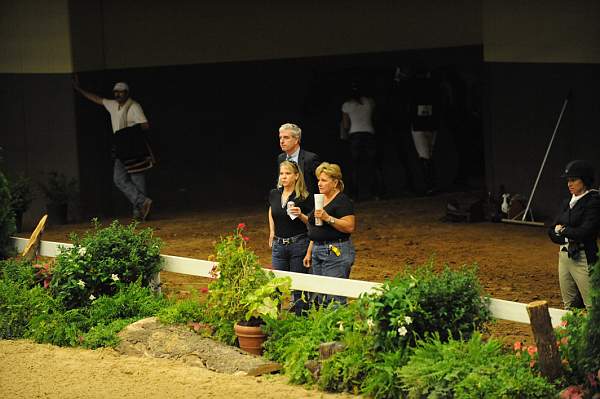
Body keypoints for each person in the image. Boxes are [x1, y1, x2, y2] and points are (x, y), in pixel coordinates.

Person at [73, 78, 153, 220]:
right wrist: (79, 90)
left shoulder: (134, 106)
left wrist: (129, 133)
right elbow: (97, 99)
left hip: (133, 147)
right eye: (116, 92)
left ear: (126, 93)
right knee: (119, 178)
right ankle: (142, 202)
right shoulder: (112, 105)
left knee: (137, 179)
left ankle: (139, 213)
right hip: (122, 148)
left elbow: (145, 125)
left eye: (121, 92)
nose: (118, 95)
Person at [548, 160, 600, 310]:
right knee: (569, 305)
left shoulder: (593, 201)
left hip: (583, 256)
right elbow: (551, 230)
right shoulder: (567, 202)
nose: (569, 184)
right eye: (568, 181)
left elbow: (584, 232)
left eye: (573, 180)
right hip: (564, 256)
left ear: (584, 180)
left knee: (592, 305)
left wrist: (562, 230)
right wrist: (564, 234)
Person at [303, 162, 356, 306]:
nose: (319, 183)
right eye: (319, 180)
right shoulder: (321, 199)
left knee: (334, 298)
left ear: (335, 182)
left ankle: (339, 327)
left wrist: (328, 218)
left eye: (324, 180)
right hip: (317, 250)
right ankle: (325, 328)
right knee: (320, 297)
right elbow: (314, 229)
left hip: (335, 251)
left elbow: (349, 226)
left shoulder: (342, 201)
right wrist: (309, 252)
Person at [268, 160, 312, 315]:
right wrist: (272, 231)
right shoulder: (274, 193)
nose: (284, 177)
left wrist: (300, 214)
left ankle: (300, 320)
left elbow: (312, 222)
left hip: (298, 243)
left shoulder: (304, 197)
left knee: (298, 286)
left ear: (296, 176)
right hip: (279, 244)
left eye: (287, 174)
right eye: (281, 174)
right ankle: (273, 319)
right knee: (276, 285)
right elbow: (271, 211)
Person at [341, 83, 383, 200]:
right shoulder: (370, 102)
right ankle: (377, 193)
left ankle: (354, 195)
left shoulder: (347, 105)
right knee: (373, 165)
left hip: (355, 135)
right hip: (370, 134)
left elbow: (345, 125)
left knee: (354, 167)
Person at [409, 67, 441, 194]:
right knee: (429, 155)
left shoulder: (413, 88)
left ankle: (429, 185)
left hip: (420, 125)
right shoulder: (433, 86)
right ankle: (431, 185)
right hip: (431, 124)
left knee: (425, 156)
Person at [277, 123, 320, 195]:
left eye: (286, 137)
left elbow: (318, 185)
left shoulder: (310, 159)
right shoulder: (281, 158)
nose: (281, 141)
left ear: (296, 140)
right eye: (280, 137)